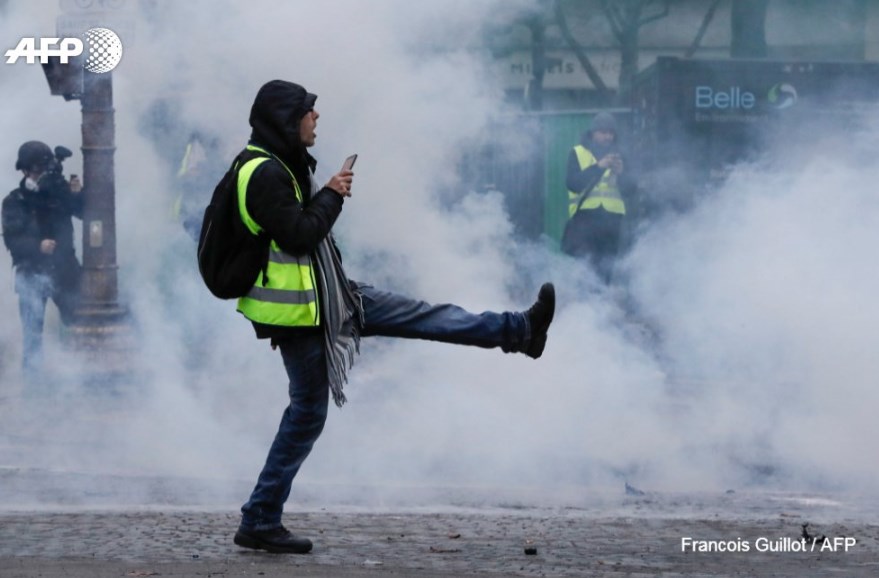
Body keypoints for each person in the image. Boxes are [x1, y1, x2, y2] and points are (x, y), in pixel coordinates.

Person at [227, 80, 556, 554]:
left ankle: (521, 331)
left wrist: (325, 191)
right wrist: (334, 193)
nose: (316, 118)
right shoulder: (263, 173)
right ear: (285, 119)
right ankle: (259, 518)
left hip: (330, 298)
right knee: (306, 415)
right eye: (308, 112)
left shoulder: (276, 164)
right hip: (301, 314)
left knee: (422, 316)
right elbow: (299, 234)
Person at [2, 141, 83, 382]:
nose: (43, 175)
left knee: (79, 321)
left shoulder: (59, 192)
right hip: (31, 272)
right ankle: (34, 384)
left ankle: (77, 376)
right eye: (38, 170)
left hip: (65, 270)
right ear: (26, 171)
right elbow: (13, 240)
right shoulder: (14, 201)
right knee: (32, 334)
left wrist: (78, 194)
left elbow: (87, 212)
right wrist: (38, 246)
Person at [561, 112, 636, 283]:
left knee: (606, 270)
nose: (607, 137)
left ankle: (601, 307)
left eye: (610, 133)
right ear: (592, 133)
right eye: (602, 132)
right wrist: (599, 167)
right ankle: (584, 306)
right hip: (584, 220)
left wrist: (621, 174)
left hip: (611, 222)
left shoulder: (621, 155)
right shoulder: (577, 153)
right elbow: (573, 183)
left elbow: (631, 190)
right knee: (585, 268)